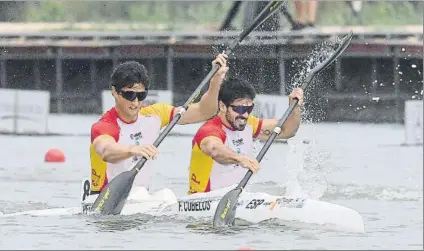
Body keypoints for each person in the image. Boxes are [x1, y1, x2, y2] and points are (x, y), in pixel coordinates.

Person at [89, 53, 229, 196]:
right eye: (129, 95)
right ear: (114, 92)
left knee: (167, 195)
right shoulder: (105, 125)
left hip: (140, 197)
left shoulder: (156, 114)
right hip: (105, 199)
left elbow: (205, 111)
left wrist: (216, 80)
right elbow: (106, 151)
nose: (135, 102)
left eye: (141, 96)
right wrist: (133, 150)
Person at [188, 77, 304, 194]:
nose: (244, 114)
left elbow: (287, 131)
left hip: (233, 199)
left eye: (249, 108)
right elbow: (214, 149)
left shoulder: (250, 125)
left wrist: (294, 108)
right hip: (202, 201)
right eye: (239, 108)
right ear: (223, 107)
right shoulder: (210, 130)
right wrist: (240, 158)